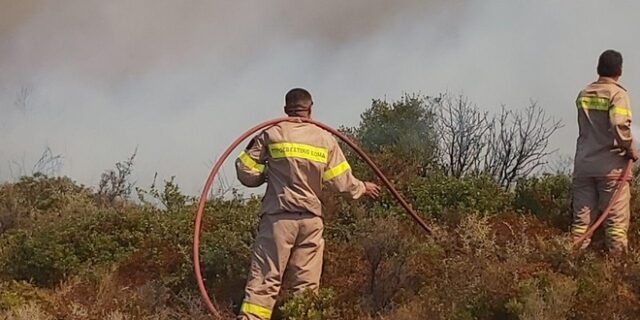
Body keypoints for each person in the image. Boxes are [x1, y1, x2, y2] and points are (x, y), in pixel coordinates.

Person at [235, 88, 380, 319]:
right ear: (310, 109)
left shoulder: (272, 134)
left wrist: (265, 176)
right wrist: (362, 187)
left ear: (285, 109)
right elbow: (341, 182)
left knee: (265, 281)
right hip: (311, 222)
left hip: (278, 220)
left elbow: (244, 169)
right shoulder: (324, 138)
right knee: (306, 287)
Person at [571, 49, 638, 252]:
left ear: (598, 68)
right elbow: (619, 124)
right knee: (616, 225)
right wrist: (630, 148)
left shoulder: (584, 93)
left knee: (581, 224)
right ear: (620, 70)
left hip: (584, 167)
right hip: (611, 169)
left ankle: (571, 265)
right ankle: (618, 271)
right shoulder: (618, 94)